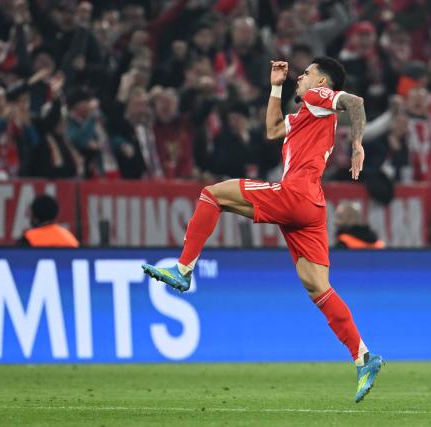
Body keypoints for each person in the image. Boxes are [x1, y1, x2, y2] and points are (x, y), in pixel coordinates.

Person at [142, 57, 384, 403]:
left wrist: (358, 143)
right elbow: (271, 129)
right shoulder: (306, 115)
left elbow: (356, 103)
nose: (300, 77)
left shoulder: (319, 96)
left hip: (295, 194)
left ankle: (183, 269)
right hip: (312, 208)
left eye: (306, 73)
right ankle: (363, 357)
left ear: (322, 80)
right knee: (318, 287)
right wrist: (275, 86)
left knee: (212, 194)